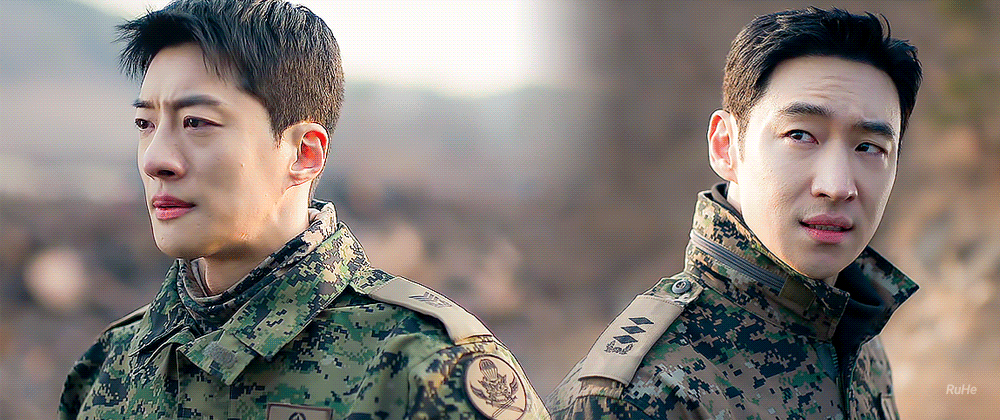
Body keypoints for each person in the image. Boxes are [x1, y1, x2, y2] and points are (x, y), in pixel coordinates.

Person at [58, 1, 549, 419]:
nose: (156, 160)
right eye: (145, 124)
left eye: (197, 122)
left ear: (304, 154)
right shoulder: (111, 366)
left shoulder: (426, 370)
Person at [546, 7, 921, 420]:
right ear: (725, 147)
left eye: (869, 147)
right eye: (800, 135)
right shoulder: (641, 394)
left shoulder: (854, 336)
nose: (836, 186)